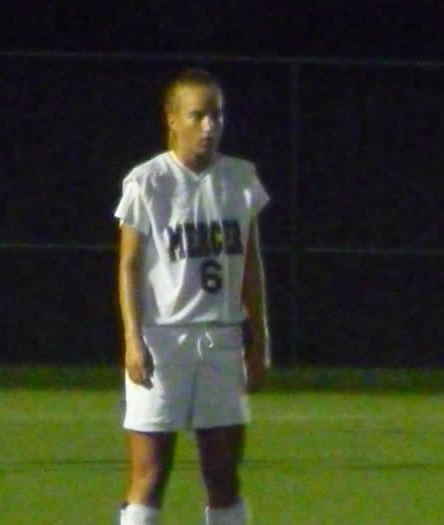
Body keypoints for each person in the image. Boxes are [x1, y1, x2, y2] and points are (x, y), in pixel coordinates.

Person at [115, 68, 270, 525]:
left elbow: (251, 266)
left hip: (221, 339)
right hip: (163, 341)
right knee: (149, 475)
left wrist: (259, 341)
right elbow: (128, 265)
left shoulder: (240, 178)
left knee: (223, 477)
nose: (209, 126)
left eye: (216, 115)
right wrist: (133, 340)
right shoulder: (148, 181)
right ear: (172, 119)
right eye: (197, 115)